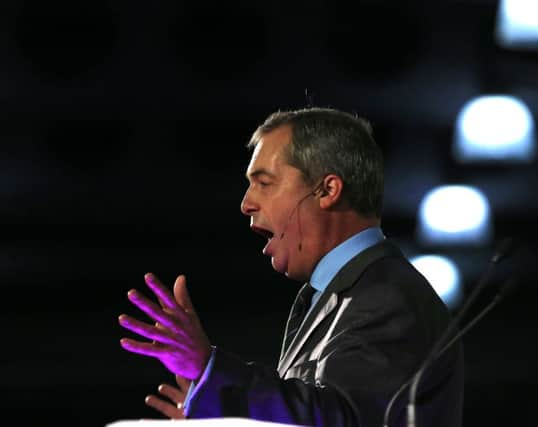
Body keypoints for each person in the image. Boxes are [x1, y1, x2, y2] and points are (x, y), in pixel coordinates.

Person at [119, 107, 464, 426]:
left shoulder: (387, 296)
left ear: (327, 190)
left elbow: (340, 420)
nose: (245, 204)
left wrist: (209, 370)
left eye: (264, 183)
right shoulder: (342, 293)